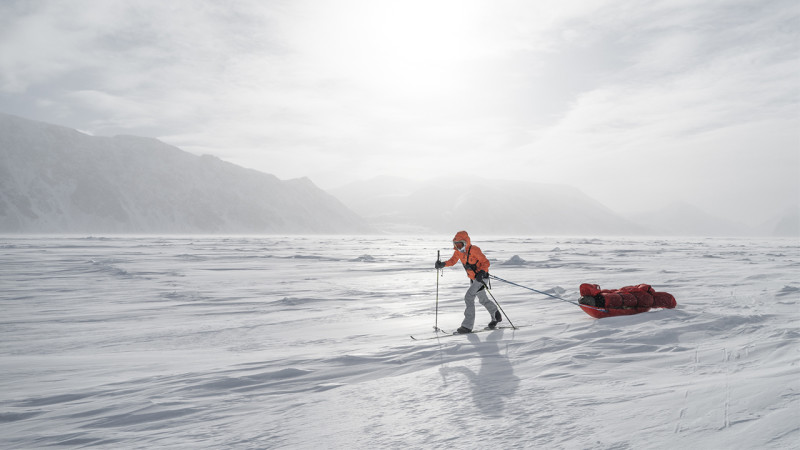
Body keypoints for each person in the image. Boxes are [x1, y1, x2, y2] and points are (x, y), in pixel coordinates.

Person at [435, 231, 502, 334]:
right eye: (456, 244)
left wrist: (482, 272)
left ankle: (467, 326)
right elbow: (452, 261)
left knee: (469, 297)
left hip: (481, 278)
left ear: (465, 242)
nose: (458, 247)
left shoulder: (474, 250)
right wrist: (442, 264)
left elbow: (486, 262)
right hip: (473, 279)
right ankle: (496, 315)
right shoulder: (458, 252)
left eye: (460, 244)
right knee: (483, 299)